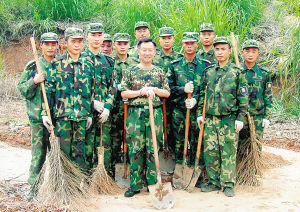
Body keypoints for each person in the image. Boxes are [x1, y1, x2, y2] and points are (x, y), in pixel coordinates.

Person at [196, 37, 248, 197]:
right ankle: (213, 181)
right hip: (210, 118)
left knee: (228, 151)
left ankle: (227, 184)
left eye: (223, 49)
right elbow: (203, 95)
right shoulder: (209, 72)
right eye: (217, 49)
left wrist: (241, 117)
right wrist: (199, 114)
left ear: (230, 51)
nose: (219, 52)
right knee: (211, 152)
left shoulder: (237, 72)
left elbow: (243, 98)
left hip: (228, 119)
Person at [121, 38, 170, 197]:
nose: (147, 53)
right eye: (144, 50)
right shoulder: (131, 70)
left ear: (155, 53)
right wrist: (140, 92)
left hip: (154, 113)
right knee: (136, 148)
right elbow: (123, 93)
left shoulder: (159, 71)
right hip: (135, 114)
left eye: (150, 50)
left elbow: (167, 93)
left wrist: (154, 89)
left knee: (153, 148)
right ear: (138, 51)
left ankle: (153, 183)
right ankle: (135, 185)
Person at [42, 27, 94, 172]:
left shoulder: (88, 64)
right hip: (63, 117)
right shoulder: (57, 63)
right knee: (63, 153)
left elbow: (91, 90)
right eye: (73, 41)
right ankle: (63, 187)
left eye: (79, 41)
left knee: (79, 153)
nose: (77, 45)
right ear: (65, 43)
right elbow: (49, 90)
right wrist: (44, 113)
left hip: (81, 116)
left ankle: (77, 187)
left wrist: (89, 113)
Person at [17, 32, 59, 200]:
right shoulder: (33, 66)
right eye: (46, 44)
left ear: (57, 46)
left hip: (56, 117)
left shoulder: (60, 64)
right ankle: (34, 189)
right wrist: (34, 81)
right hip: (37, 118)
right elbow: (22, 89)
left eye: (53, 44)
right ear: (41, 46)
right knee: (38, 154)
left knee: (57, 155)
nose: (50, 47)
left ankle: (57, 189)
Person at [167, 32, 210, 164]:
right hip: (179, 110)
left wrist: (195, 99)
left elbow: (207, 88)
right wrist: (182, 89)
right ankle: (180, 168)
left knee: (198, 141)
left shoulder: (205, 65)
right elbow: (168, 88)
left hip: (198, 111)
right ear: (182, 44)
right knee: (179, 141)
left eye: (192, 43)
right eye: (186, 43)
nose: (189, 46)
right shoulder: (174, 65)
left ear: (197, 44)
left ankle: (197, 170)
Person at [83, 23, 116, 174]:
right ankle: (87, 180)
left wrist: (108, 107)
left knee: (105, 147)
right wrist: (91, 104)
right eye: (93, 35)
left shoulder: (109, 61)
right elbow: (77, 88)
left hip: (104, 113)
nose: (97, 39)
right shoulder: (81, 59)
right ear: (87, 37)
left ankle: (103, 179)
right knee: (87, 147)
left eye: (99, 35)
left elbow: (113, 86)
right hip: (87, 113)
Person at [152, 26, 182, 152]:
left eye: (169, 38)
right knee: (158, 129)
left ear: (173, 39)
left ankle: (173, 154)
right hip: (157, 100)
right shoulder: (154, 57)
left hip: (175, 101)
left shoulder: (179, 58)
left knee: (174, 130)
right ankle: (158, 153)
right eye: (163, 38)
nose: (166, 41)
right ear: (159, 39)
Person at [110, 33, 138, 167]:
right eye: (119, 44)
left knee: (131, 137)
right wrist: (117, 88)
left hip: (132, 107)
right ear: (114, 45)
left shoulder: (135, 63)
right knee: (115, 138)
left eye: (125, 44)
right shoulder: (110, 62)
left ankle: (133, 167)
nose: (122, 47)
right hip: (115, 108)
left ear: (129, 45)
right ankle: (115, 168)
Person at [239, 39, 272, 150]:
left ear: (258, 53)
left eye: (254, 51)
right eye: (247, 51)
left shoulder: (264, 73)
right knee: (241, 148)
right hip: (241, 116)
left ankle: (254, 167)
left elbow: (268, 97)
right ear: (242, 52)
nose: (250, 54)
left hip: (257, 116)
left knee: (256, 147)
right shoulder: (237, 72)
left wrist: (267, 117)